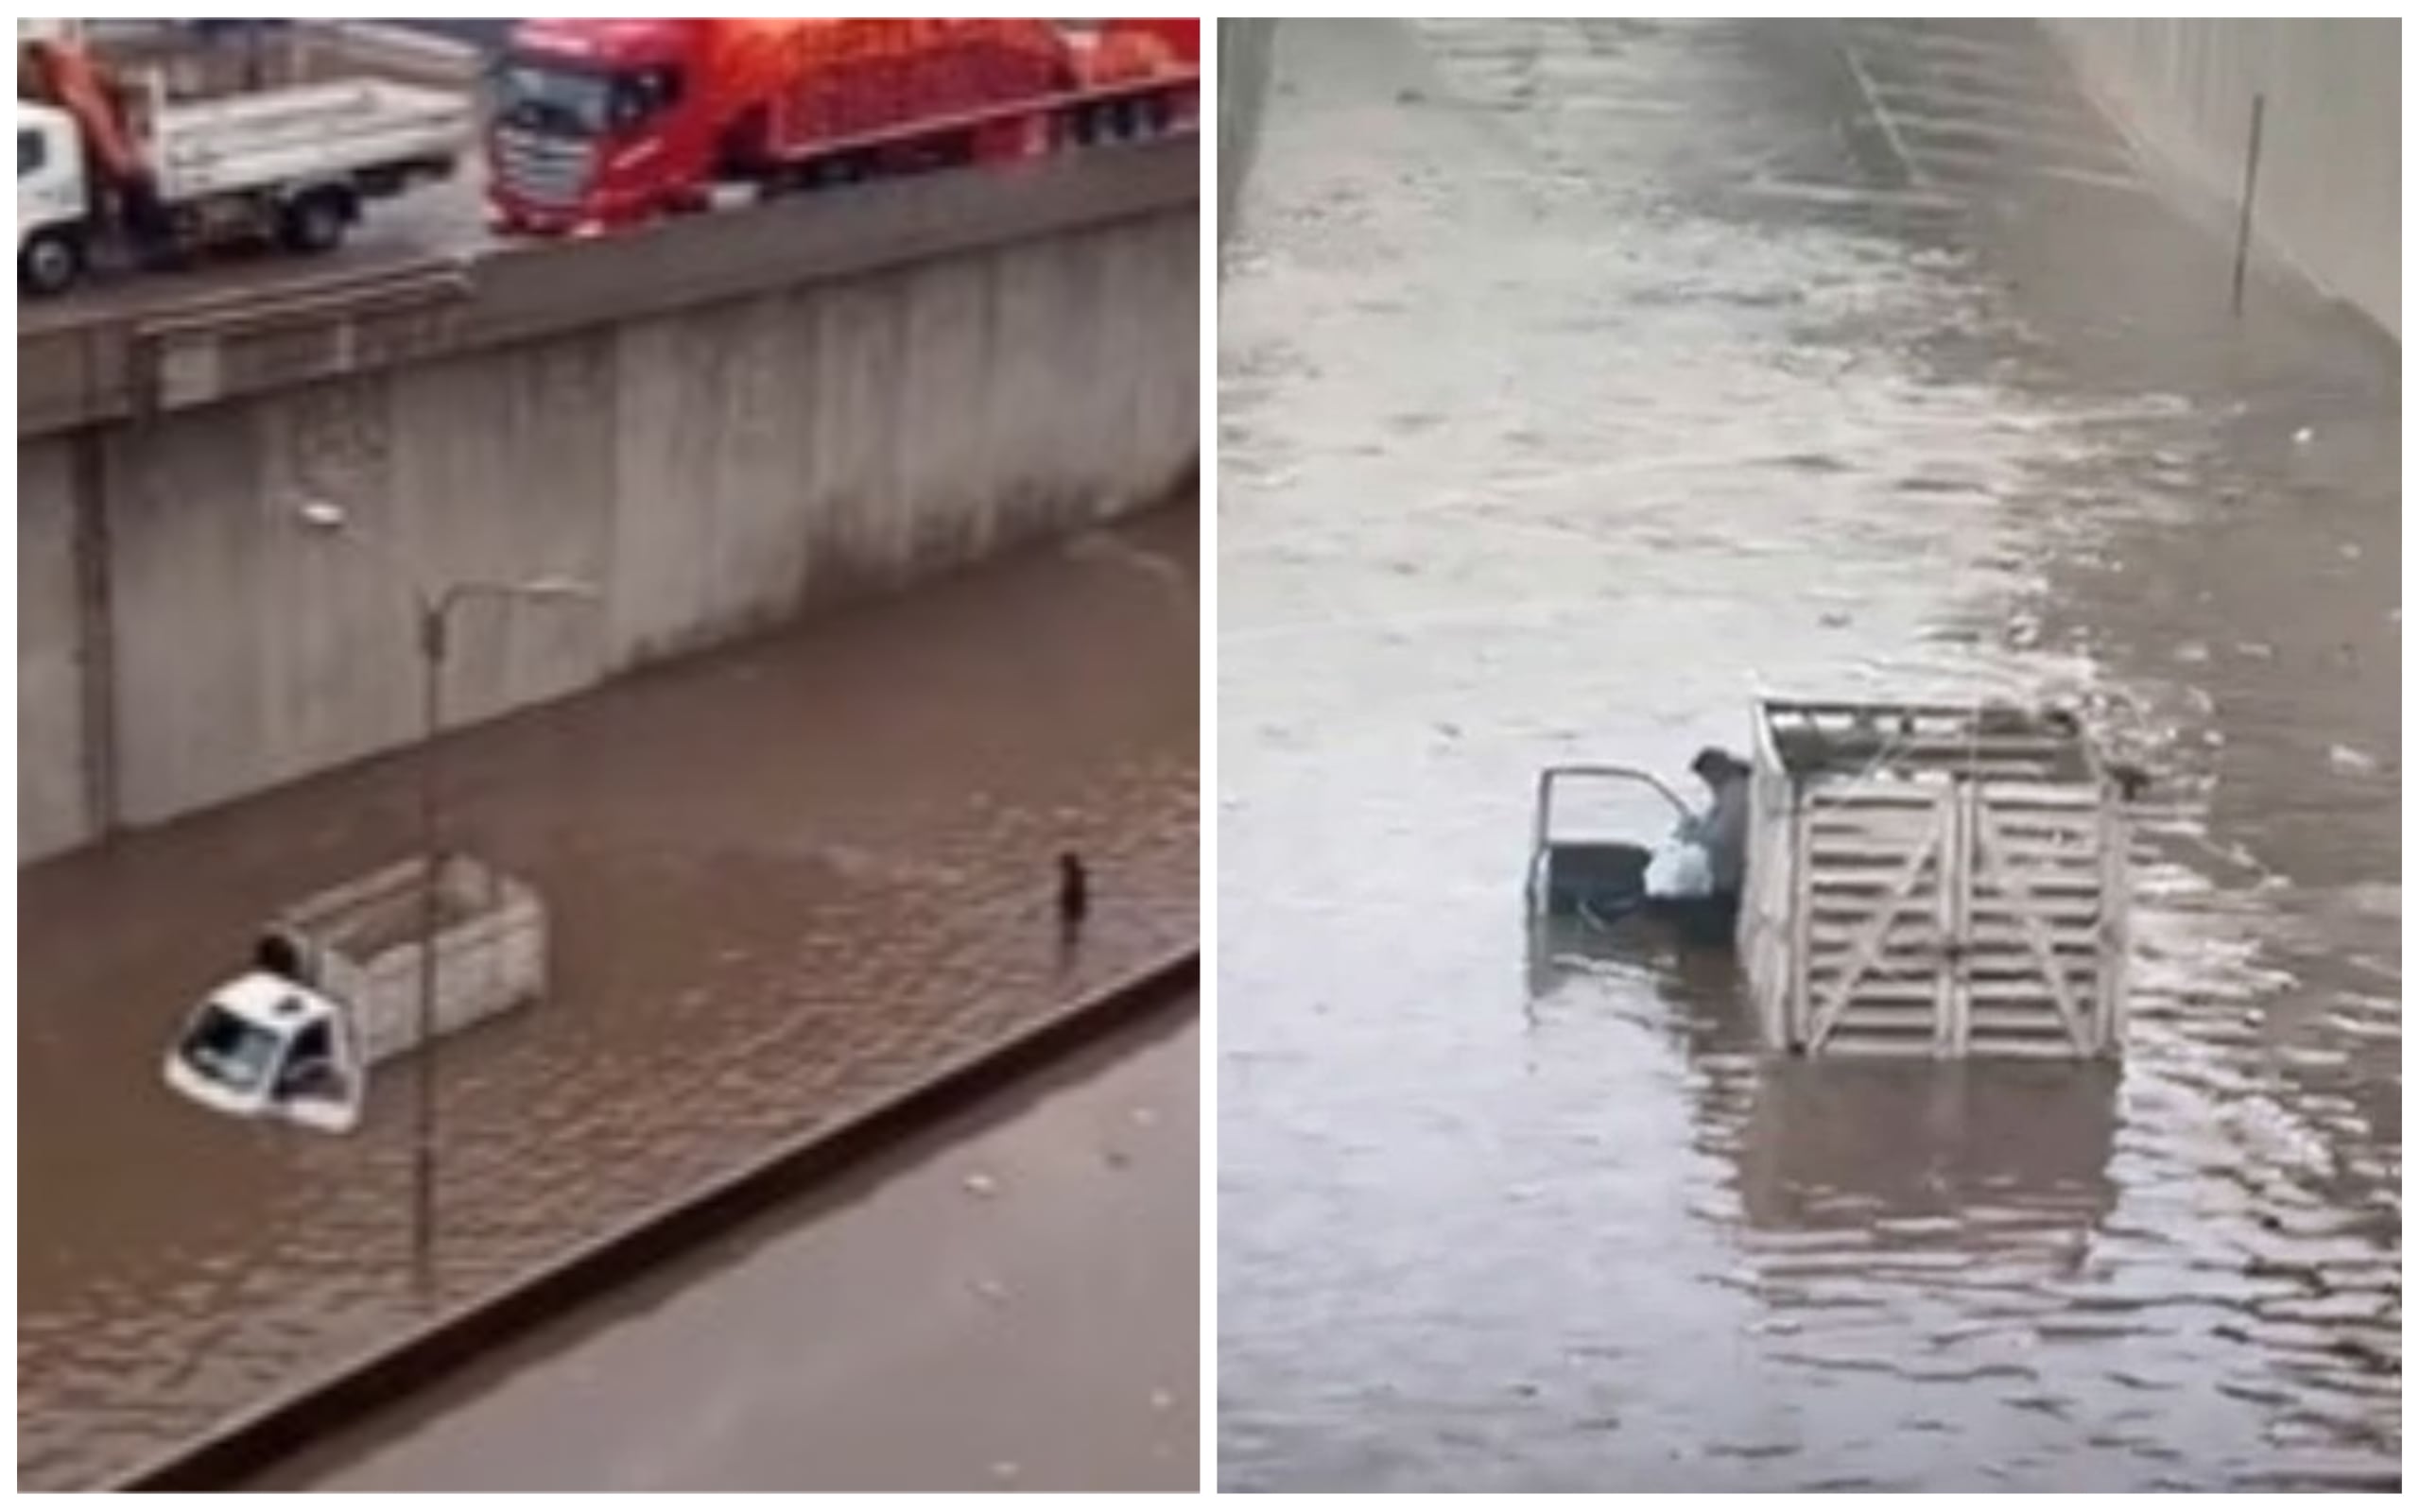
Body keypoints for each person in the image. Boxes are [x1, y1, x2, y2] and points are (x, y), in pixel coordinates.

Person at [1646, 747, 1752, 902]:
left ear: (1716, 771)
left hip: (1731, 884)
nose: (1707, 783)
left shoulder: (1737, 794)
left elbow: (1724, 838)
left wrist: (1694, 835)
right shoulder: (1732, 791)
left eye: (1706, 778)